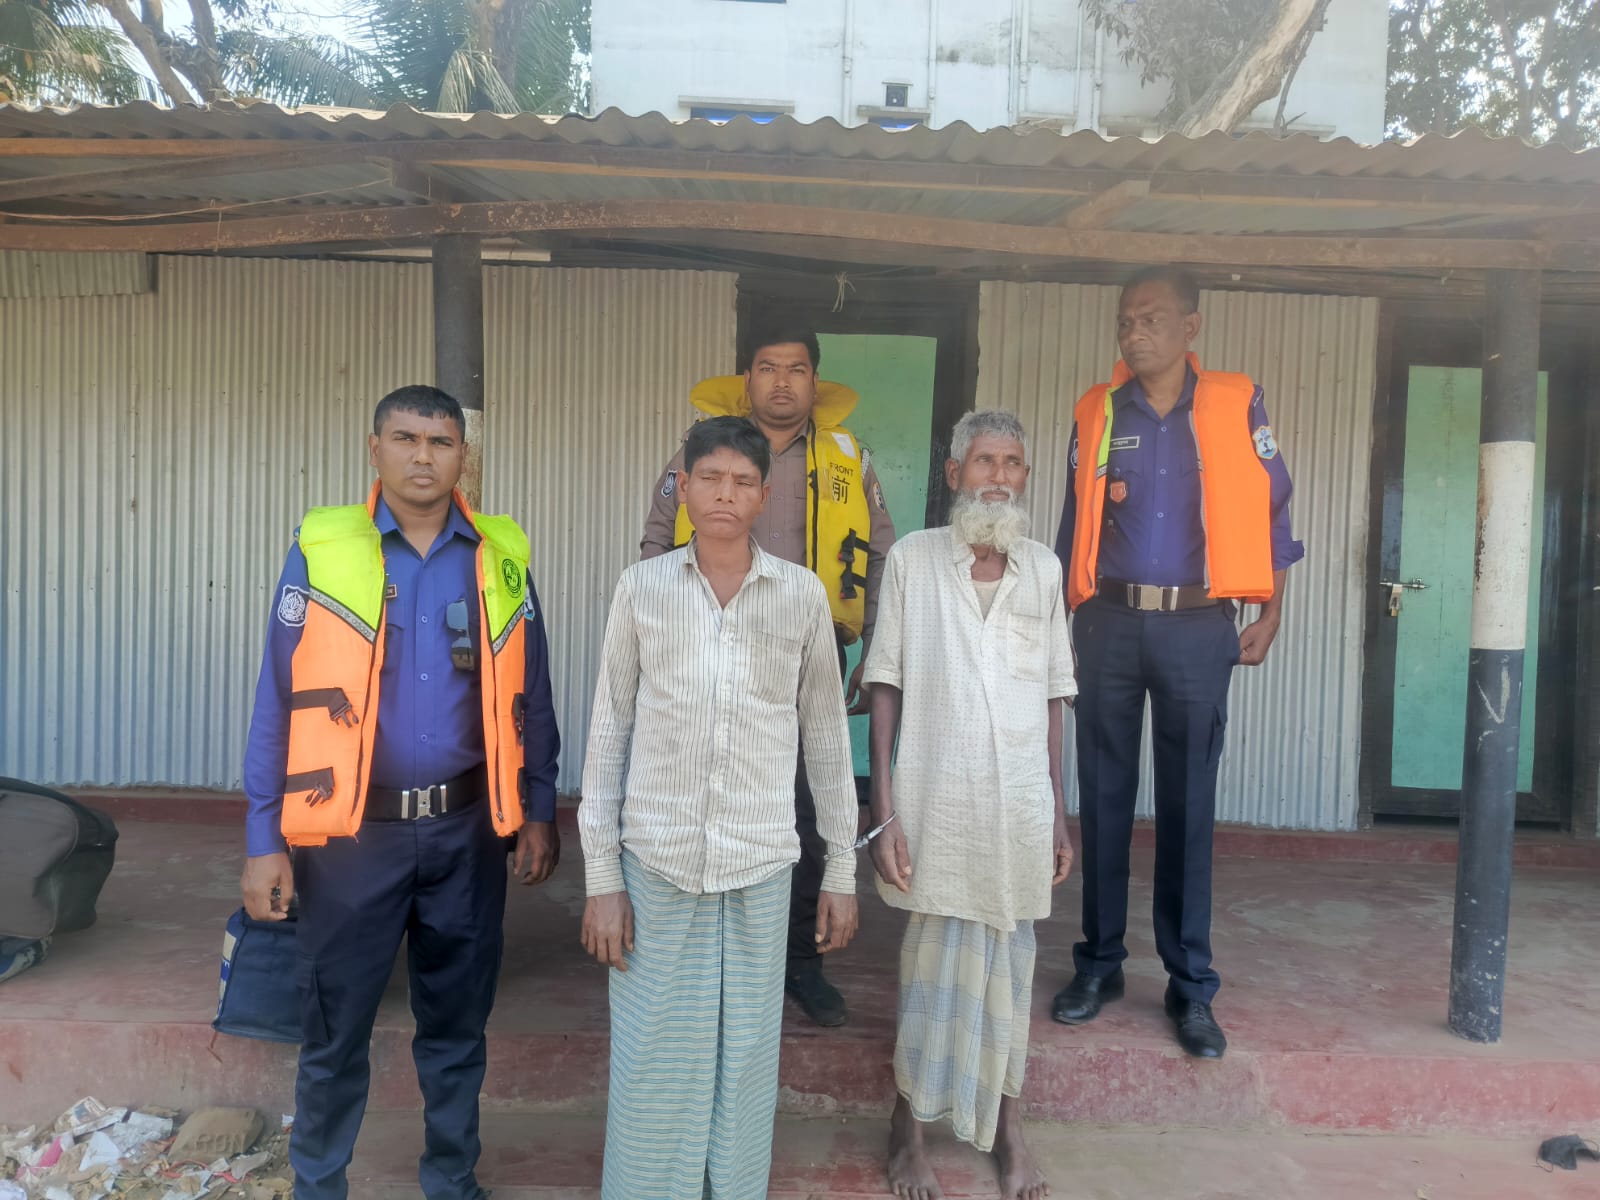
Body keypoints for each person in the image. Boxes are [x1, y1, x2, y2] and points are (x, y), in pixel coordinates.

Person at [238, 385, 561, 1200]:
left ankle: (451, 1180)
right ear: (374, 448)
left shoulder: (500, 557)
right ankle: (319, 1185)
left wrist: (539, 810)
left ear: (463, 457)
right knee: (334, 1032)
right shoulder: (321, 552)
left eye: (441, 442)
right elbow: (279, 698)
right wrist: (262, 839)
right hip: (351, 840)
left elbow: (534, 694)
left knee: (456, 1030)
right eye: (406, 439)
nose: (424, 456)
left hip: (467, 834)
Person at [583, 415, 861, 1200]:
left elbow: (827, 741)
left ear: (764, 496)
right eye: (710, 478)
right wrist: (602, 878)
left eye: (743, 482)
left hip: (759, 864)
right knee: (651, 1054)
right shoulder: (641, 589)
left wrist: (842, 870)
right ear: (683, 486)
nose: (725, 495)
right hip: (657, 861)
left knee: (744, 1057)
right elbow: (609, 731)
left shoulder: (800, 596)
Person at [1049, 266, 1304, 1059]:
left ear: (1191, 327)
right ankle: (1098, 965)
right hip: (1108, 624)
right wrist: (1058, 624)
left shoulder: (1235, 402)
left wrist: (1272, 609)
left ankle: (1190, 987)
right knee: (1104, 798)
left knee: (1189, 806)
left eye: (1152, 318)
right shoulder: (1097, 412)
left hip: (1198, 626)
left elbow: (1273, 507)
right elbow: (1073, 522)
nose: (1135, 332)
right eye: (1126, 320)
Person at [640, 324, 895, 1027]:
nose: (782, 381)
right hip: (705, 640)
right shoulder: (703, 450)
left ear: (815, 381)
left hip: (808, 648)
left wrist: (875, 650)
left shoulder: (849, 459)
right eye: (767, 368)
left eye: (796, 369)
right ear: (746, 379)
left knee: (807, 805)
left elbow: (880, 555)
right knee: (704, 789)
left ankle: (800, 960)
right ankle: (707, 953)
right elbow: (657, 538)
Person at [863, 410, 1074, 1200]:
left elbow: (1054, 695)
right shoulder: (915, 560)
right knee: (929, 967)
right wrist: (883, 809)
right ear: (954, 474)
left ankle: (1010, 1128)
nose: (998, 476)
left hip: (1019, 804)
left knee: (1012, 968)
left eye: (1012, 463)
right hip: (935, 798)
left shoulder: (1043, 568)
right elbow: (885, 682)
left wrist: (1059, 813)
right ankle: (908, 1127)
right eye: (983, 461)